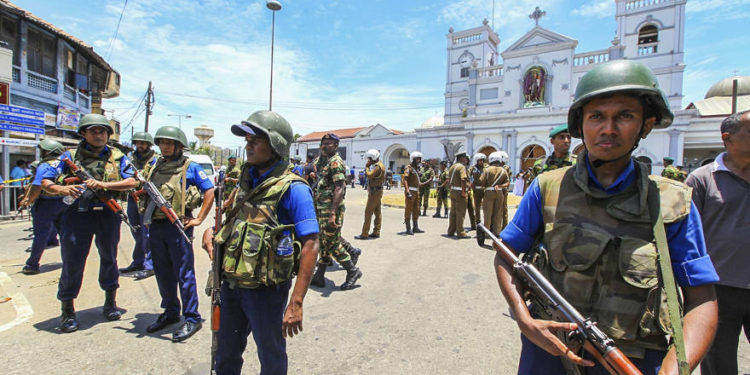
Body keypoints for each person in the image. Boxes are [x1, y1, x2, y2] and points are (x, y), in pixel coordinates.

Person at [493, 60, 718, 374]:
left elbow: (701, 299)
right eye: (596, 116)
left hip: (634, 358)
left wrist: (673, 369)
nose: (608, 128)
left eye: (624, 116)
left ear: (647, 124)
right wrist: (523, 316)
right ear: (581, 123)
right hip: (550, 351)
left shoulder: (671, 203)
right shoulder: (547, 187)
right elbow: (506, 254)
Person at [202, 110, 319, 374]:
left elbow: (311, 245)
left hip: (265, 292)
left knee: (271, 355)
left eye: (256, 139)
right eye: (247, 139)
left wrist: (296, 302)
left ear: (276, 145)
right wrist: (211, 231)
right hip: (230, 285)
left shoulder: (294, 188)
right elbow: (233, 220)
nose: (248, 145)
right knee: (225, 352)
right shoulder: (247, 179)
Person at [39, 114, 138, 333]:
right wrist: (62, 189)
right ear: (83, 133)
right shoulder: (68, 156)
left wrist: (102, 183)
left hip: (108, 213)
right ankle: (67, 309)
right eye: (93, 131)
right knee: (73, 262)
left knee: (109, 259)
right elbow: (44, 181)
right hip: (76, 215)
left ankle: (110, 302)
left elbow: (133, 180)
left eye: (103, 131)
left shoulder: (117, 156)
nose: (99, 135)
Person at [686, 110, 750, 375]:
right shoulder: (702, 180)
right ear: (728, 138)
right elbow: (687, 236)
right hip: (718, 288)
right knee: (719, 362)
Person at [139, 125, 215, 342]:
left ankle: (192, 317)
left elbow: (209, 190)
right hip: (155, 226)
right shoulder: (153, 165)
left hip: (178, 226)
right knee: (162, 272)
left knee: (184, 274)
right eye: (162, 142)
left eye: (169, 143)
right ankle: (171, 311)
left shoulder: (189, 167)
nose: (164, 146)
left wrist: (199, 219)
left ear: (179, 145)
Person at [309, 133, 362, 290]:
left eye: (329, 143)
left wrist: (332, 213)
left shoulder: (336, 162)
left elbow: (340, 187)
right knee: (323, 241)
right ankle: (319, 275)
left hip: (331, 209)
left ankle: (352, 271)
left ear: (336, 145)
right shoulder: (325, 160)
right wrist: (322, 151)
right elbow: (315, 164)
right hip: (321, 207)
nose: (325, 145)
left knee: (331, 243)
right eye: (323, 143)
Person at [19, 140, 67, 275]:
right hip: (64, 202)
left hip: (46, 203)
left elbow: (37, 185)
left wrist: (28, 201)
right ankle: (69, 262)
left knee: (41, 235)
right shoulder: (65, 165)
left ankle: (32, 264)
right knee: (65, 235)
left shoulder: (45, 165)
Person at [118, 131, 158, 280]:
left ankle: (150, 265)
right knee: (136, 230)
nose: (140, 146)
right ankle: (138, 261)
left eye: (143, 143)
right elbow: (124, 174)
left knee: (147, 233)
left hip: (148, 199)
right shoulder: (129, 159)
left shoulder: (155, 160)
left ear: (149, 144)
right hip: (132, 198)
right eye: (138, 143)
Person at [477, 151, 509, 241]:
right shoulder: (503, 170)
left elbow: (481, 181)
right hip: (499, 192)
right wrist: (500, 186)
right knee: (498, 214)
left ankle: (487, 232)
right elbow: (507, 183)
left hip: (489, 192)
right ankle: (497, 232)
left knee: (487, 214)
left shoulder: (487, 170)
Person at [355, 149, 385, 240]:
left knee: (368, 212)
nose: (368, 160)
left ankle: (364, 233)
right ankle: (376, 231)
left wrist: (367, 167)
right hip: (377, 191)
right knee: (377, 212)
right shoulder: (379, 165)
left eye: (369, 159)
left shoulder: (377, 167)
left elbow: (369, 175)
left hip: (374, 192)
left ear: (373, 158)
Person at [446, 150, 470, 238]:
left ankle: (451, 231)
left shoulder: (452, 167)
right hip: (460, 192)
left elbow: (448, 180)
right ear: (462, 158)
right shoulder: (461, 167)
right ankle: (461, 232)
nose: (466, 159)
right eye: (465, 157)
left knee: (453, 212)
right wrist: (464, 192)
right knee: (460, 212)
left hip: (453, 191)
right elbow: (463, 179)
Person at [402, 151, 424, 235]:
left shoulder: (417, 169)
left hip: (416, 191)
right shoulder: (409, 168)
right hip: (410, 191)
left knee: (416, 209)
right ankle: (408, 228)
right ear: (413, 159)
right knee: (408, 209)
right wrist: (407, 191)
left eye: (420, 159)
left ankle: (415, 227)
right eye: (417, 159)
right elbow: (405, 180)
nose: (419, 160)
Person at [469, 153, 486, 227]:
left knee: (486, 206)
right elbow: (468, 176)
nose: (481, 162)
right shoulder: (472, 168)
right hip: (476, 189)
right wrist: (470, 184)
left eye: (482, 160)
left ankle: (487, 222)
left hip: (485, 189)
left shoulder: (486, 168)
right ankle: (477, 222)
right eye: (479, 160)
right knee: (477, 207)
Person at [499, 151, 512, 229]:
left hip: (503, 190)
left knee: (503, 208)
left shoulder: (505, 167)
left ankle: (504, 225)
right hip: (500, 189)